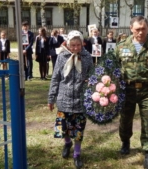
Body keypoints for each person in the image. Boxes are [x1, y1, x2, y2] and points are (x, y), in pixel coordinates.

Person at [114, 15, 148, 169]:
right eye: (137, 29)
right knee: (125, 119)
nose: (141, 32)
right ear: (131, 29)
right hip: (127, 90)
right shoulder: (121, 46)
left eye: (143, 29)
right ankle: (125, 141)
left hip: (147, 91)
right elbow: (114, 70)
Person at [48, 30, 93, 169]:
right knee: (63, 128)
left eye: (78, 45)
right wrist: (51, 98)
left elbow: (92, 75)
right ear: (68, 44)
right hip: (64, 99)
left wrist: (90, 81)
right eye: (72, 45)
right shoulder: (61, 57)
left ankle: (77, 154)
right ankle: (67, 143)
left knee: (79, 129)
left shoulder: (87, 57)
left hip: (80, 100)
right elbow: (55, 78)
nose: (75, 48)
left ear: (82, 43)